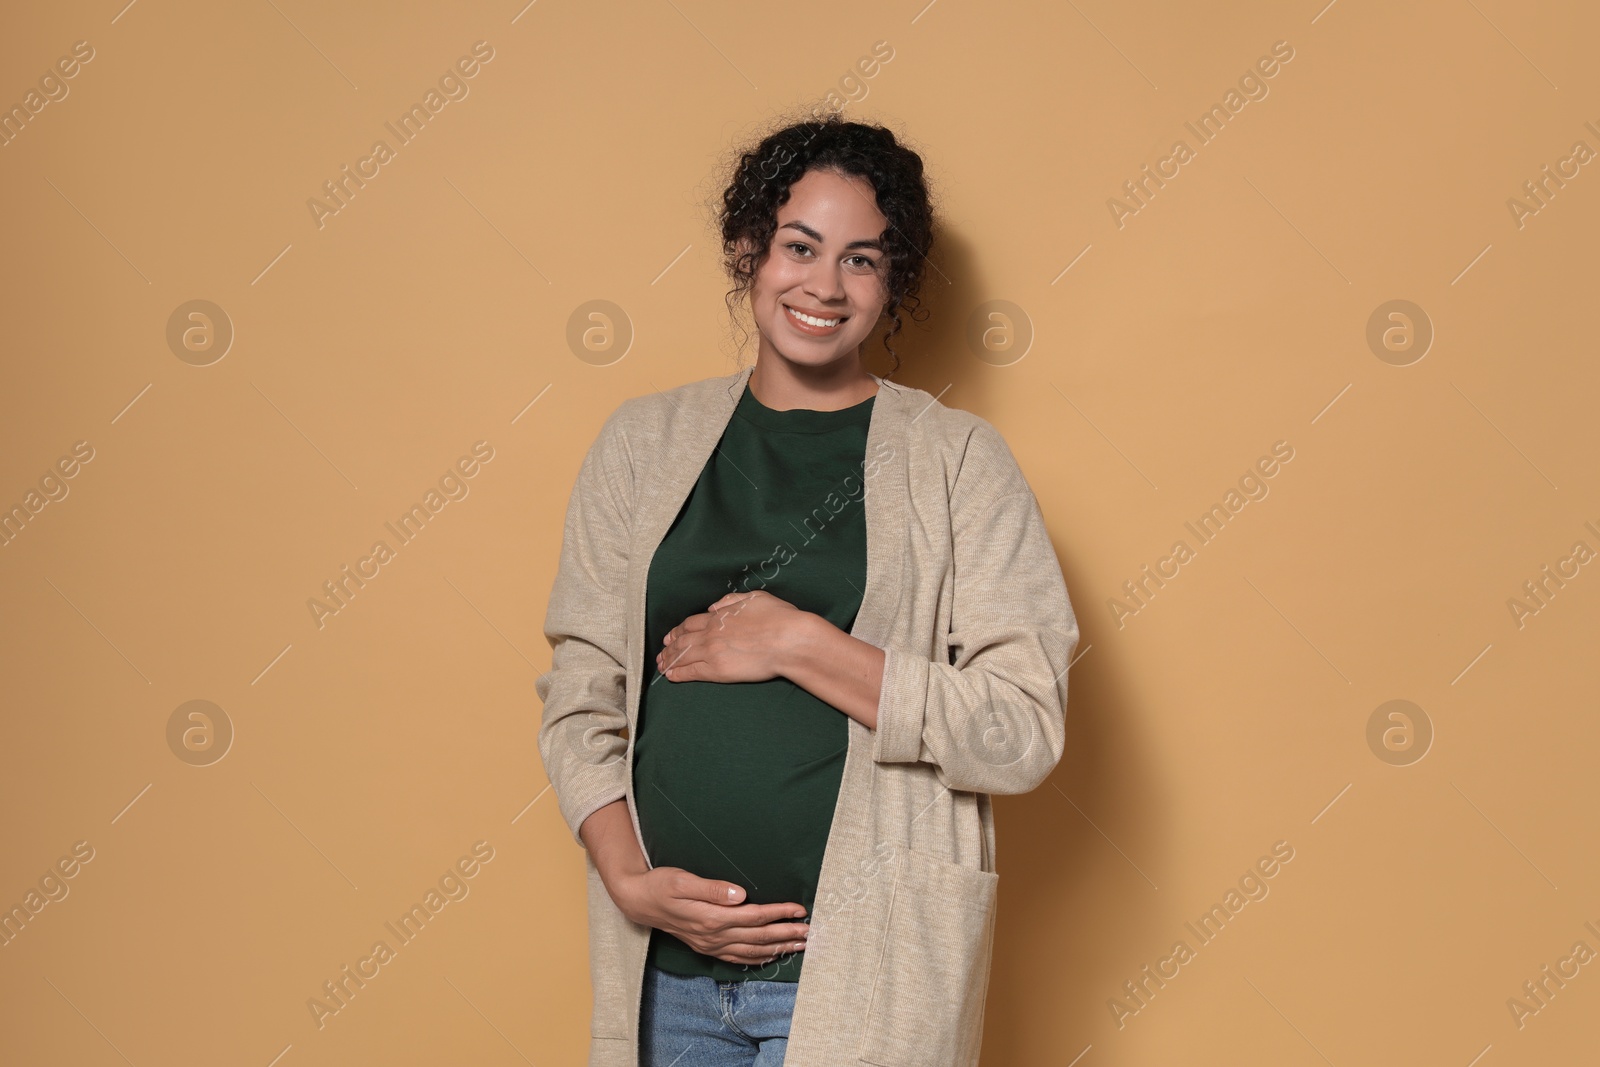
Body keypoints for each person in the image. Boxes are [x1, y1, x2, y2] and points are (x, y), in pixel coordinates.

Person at [536, 113, 1079, 1067]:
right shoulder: (642, 444)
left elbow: (1021, 728)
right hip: (669, 977)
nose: (824, 286)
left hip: (866, 972)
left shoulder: (957, 463)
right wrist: (627, 874)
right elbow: (584, 690)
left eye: (862, 260)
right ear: (750, 248)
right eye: (800, 246)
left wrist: (797, 643)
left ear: (893, 282)